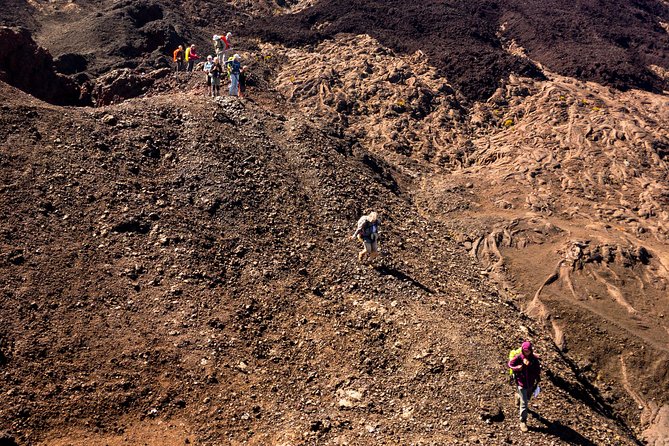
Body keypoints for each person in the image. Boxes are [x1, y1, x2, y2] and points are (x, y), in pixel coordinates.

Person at [508, 341, 541, 433]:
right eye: (525, 351)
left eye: (528, 351)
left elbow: (537, 370)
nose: (527, 353)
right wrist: (517, 368)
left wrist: (529, 365)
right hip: (521, 383)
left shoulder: (534, 359)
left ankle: (517, 396)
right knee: (524, 403)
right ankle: (523, 421)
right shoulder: (519, 357)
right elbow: (510, 364)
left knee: (527, 397)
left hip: (530, 383)